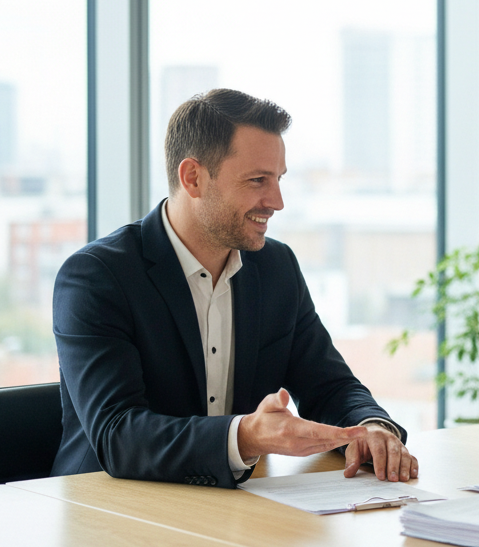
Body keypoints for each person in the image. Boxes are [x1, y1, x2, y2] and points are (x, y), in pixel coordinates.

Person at [52, 88, 418, 488]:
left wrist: (369, 427)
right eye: (257, 180)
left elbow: (328, 385)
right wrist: (244, 436)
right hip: (109, 511)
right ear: (193, 178)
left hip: (235, 507)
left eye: (278, 179)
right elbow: (118, 435)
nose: (276, 201)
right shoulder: (96, 276)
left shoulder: (276, 267)